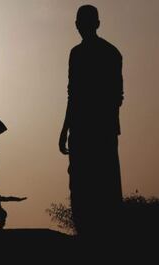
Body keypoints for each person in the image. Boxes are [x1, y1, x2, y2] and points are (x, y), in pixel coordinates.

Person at [58, 5, 124, 237]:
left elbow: (116, 96)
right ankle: (87, 234)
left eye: (84, 22)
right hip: (85, 128)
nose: (80, 26)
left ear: (96, 24)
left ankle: (103, 235)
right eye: (79, 22)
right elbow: (73, 93)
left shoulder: (109, 53)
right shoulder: (79, 53)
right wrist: (65, 128)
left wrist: (72, 126)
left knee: (101, 182)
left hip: (98, 129)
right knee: (81, 183)